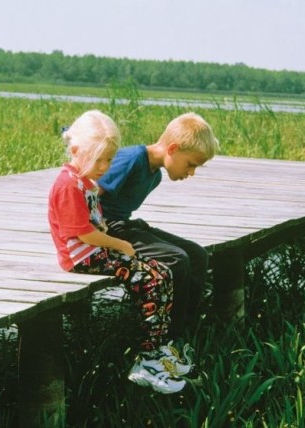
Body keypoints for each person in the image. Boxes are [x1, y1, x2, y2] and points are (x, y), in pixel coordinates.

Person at [47, 110, 192, 394]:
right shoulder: (68, 184)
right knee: (151, 279)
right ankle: (146, 360)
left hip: (93, 251)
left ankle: (157, 349)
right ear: (76, 150)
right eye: (98, 159)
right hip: (80, 257)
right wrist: (120, 245)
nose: (104, 167)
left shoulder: (83, 181)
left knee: (161, 273)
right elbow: (83, 233)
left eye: (109, 160)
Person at [98, 112, 220, 342]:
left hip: (123, 225)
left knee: (197, 255)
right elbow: (89, 192)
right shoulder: (132, 159)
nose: (191, 172)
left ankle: (184, 334)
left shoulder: (154, 176)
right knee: (176, 258)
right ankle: (166, 340)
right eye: (191, 164)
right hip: (105, 229)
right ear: (173, 148)